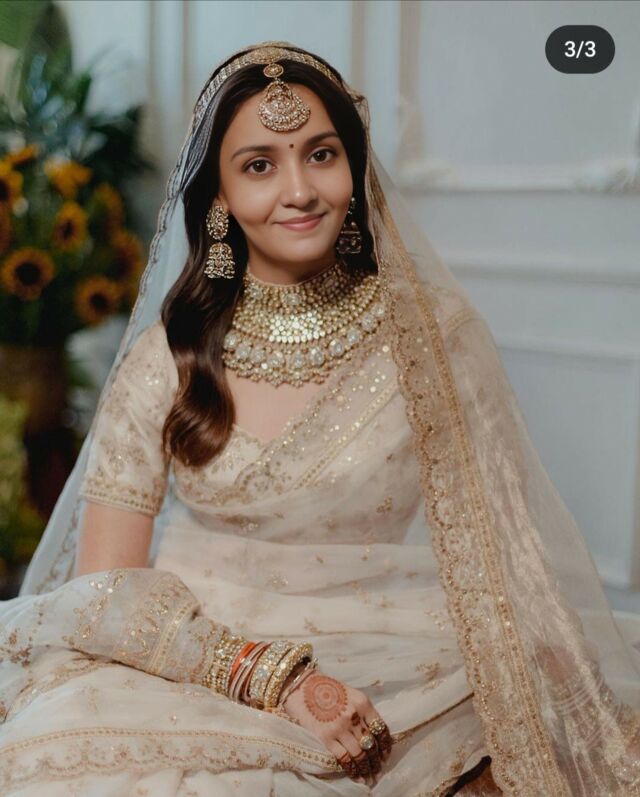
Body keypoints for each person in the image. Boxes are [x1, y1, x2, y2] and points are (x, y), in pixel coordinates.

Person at [0, 40, 639, 797]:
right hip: (193, 657)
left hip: (399, 659)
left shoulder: (434, 338)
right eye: (259, 165)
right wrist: (267, 675)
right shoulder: (166, 358)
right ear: (219, 197)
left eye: (321, 154)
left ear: (355, 166)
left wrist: (580, 724)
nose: (299, 190)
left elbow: (510, 556)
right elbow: (104, 591)